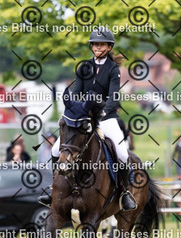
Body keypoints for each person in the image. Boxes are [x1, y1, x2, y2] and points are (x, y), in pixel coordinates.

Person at [39, 27, 137, 211]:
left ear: (109, 47)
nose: (98, 47)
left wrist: (102, 113)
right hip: (83, 118)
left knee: (123, 154)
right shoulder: (84, 67)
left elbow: (113, 97)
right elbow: (76, 92)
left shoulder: (113, 69)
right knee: (55, 149)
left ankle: (125, 193)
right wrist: (75, 110)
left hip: (106, 118)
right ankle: (54, 189)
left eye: (102, 44)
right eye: (95, 44)